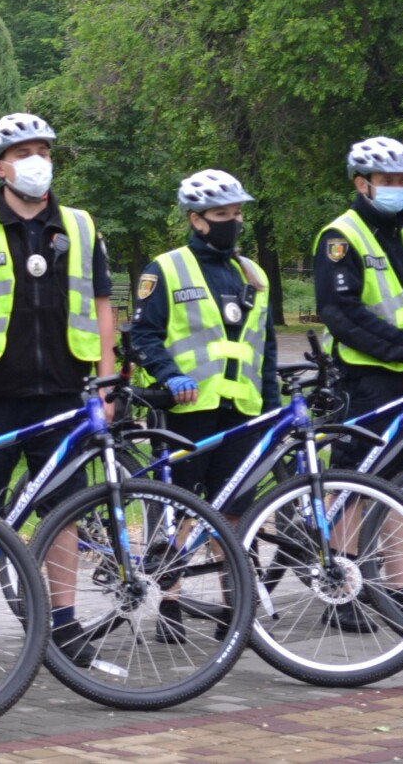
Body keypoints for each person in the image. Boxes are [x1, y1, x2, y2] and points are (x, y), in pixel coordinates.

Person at [0, 112, 114, 667]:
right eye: (26, 151)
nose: (39, 161)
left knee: (64, 507)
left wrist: (107, 379)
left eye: (46, 151)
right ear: (0, 167)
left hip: (64, 391)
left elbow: (104, 307)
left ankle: (63, 620)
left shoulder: (80, 226)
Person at [314, 136, 403, 630]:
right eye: (388, 181)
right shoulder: (341, 235)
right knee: (355, 481)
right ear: (363, 183)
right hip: (368, 377)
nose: (398, 188)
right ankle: (341, 590)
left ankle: (399, 586)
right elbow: (340, 311)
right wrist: (402, 346)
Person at [131, 169, 279, 642]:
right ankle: (169, 603)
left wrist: (273, 407)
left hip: (244, 409)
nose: (232, 222)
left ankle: (234, 608)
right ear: (196, 220)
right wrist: (170, 375)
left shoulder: (252, 273)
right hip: (189, 410)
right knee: (181, 507)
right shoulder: (166, 268)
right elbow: (143, 335)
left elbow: (265, 345)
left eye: (237, 214)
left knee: (234, 511)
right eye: (222, 215)